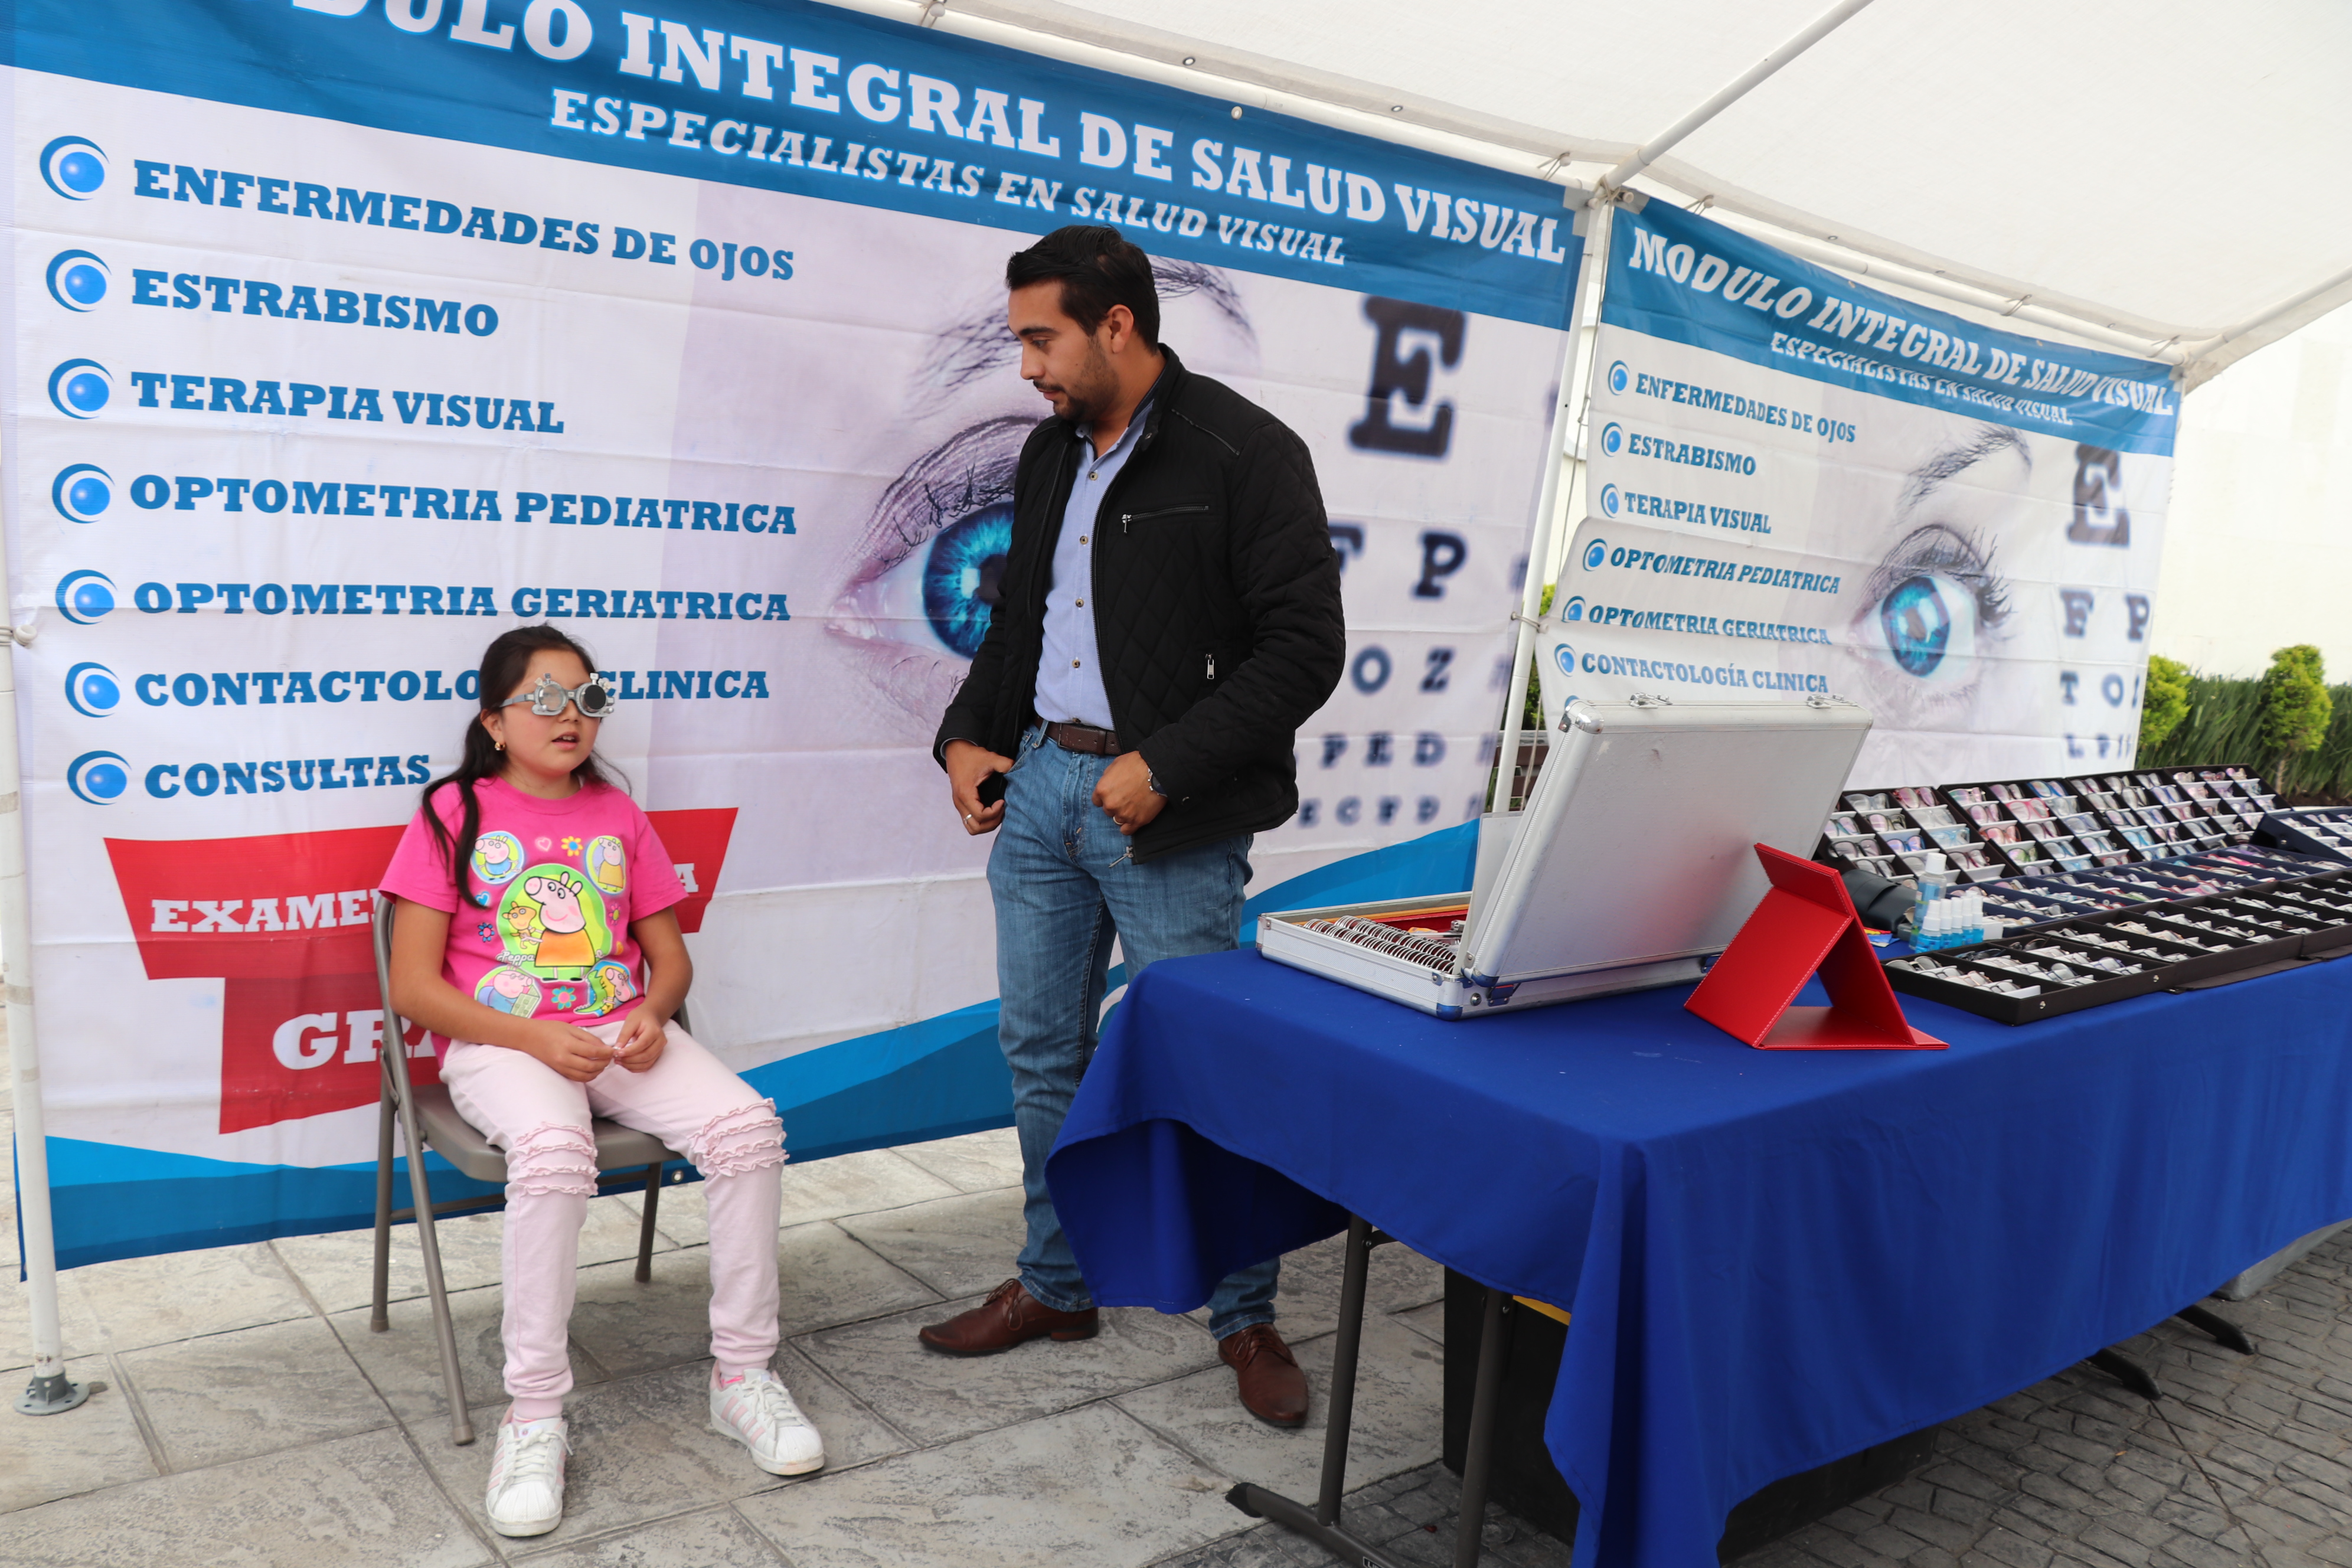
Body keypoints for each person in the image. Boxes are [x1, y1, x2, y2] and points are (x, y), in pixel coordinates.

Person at [925, 225, 1347, 1426]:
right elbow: (1019, 629)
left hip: (1171, 813)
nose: (1027, 367)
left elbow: (1304, 649)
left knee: (1206, 1069)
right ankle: (1058, 1284)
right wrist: (965, 733)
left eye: (1041, 338)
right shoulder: (1051, 455)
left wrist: (1167, 761)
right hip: (1046, 793)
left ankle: (1245, 1314)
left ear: (1119, 322)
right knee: (1044, 1055)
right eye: (1019, 341)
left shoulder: (1248, 452)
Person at [383, 625, 822, 1537]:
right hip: (504, 1041)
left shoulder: (619, 814)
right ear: (494, 722)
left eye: (586, 698)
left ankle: (742, 1377)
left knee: (748, 1130)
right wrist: (534, 1038)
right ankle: (534, 1415)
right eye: (544, 699)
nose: (569, 716)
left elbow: (669, 959)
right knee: (552, 1152)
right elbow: (413, 988)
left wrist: (655, 1012)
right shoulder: (451, 814)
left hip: (618, 1037)